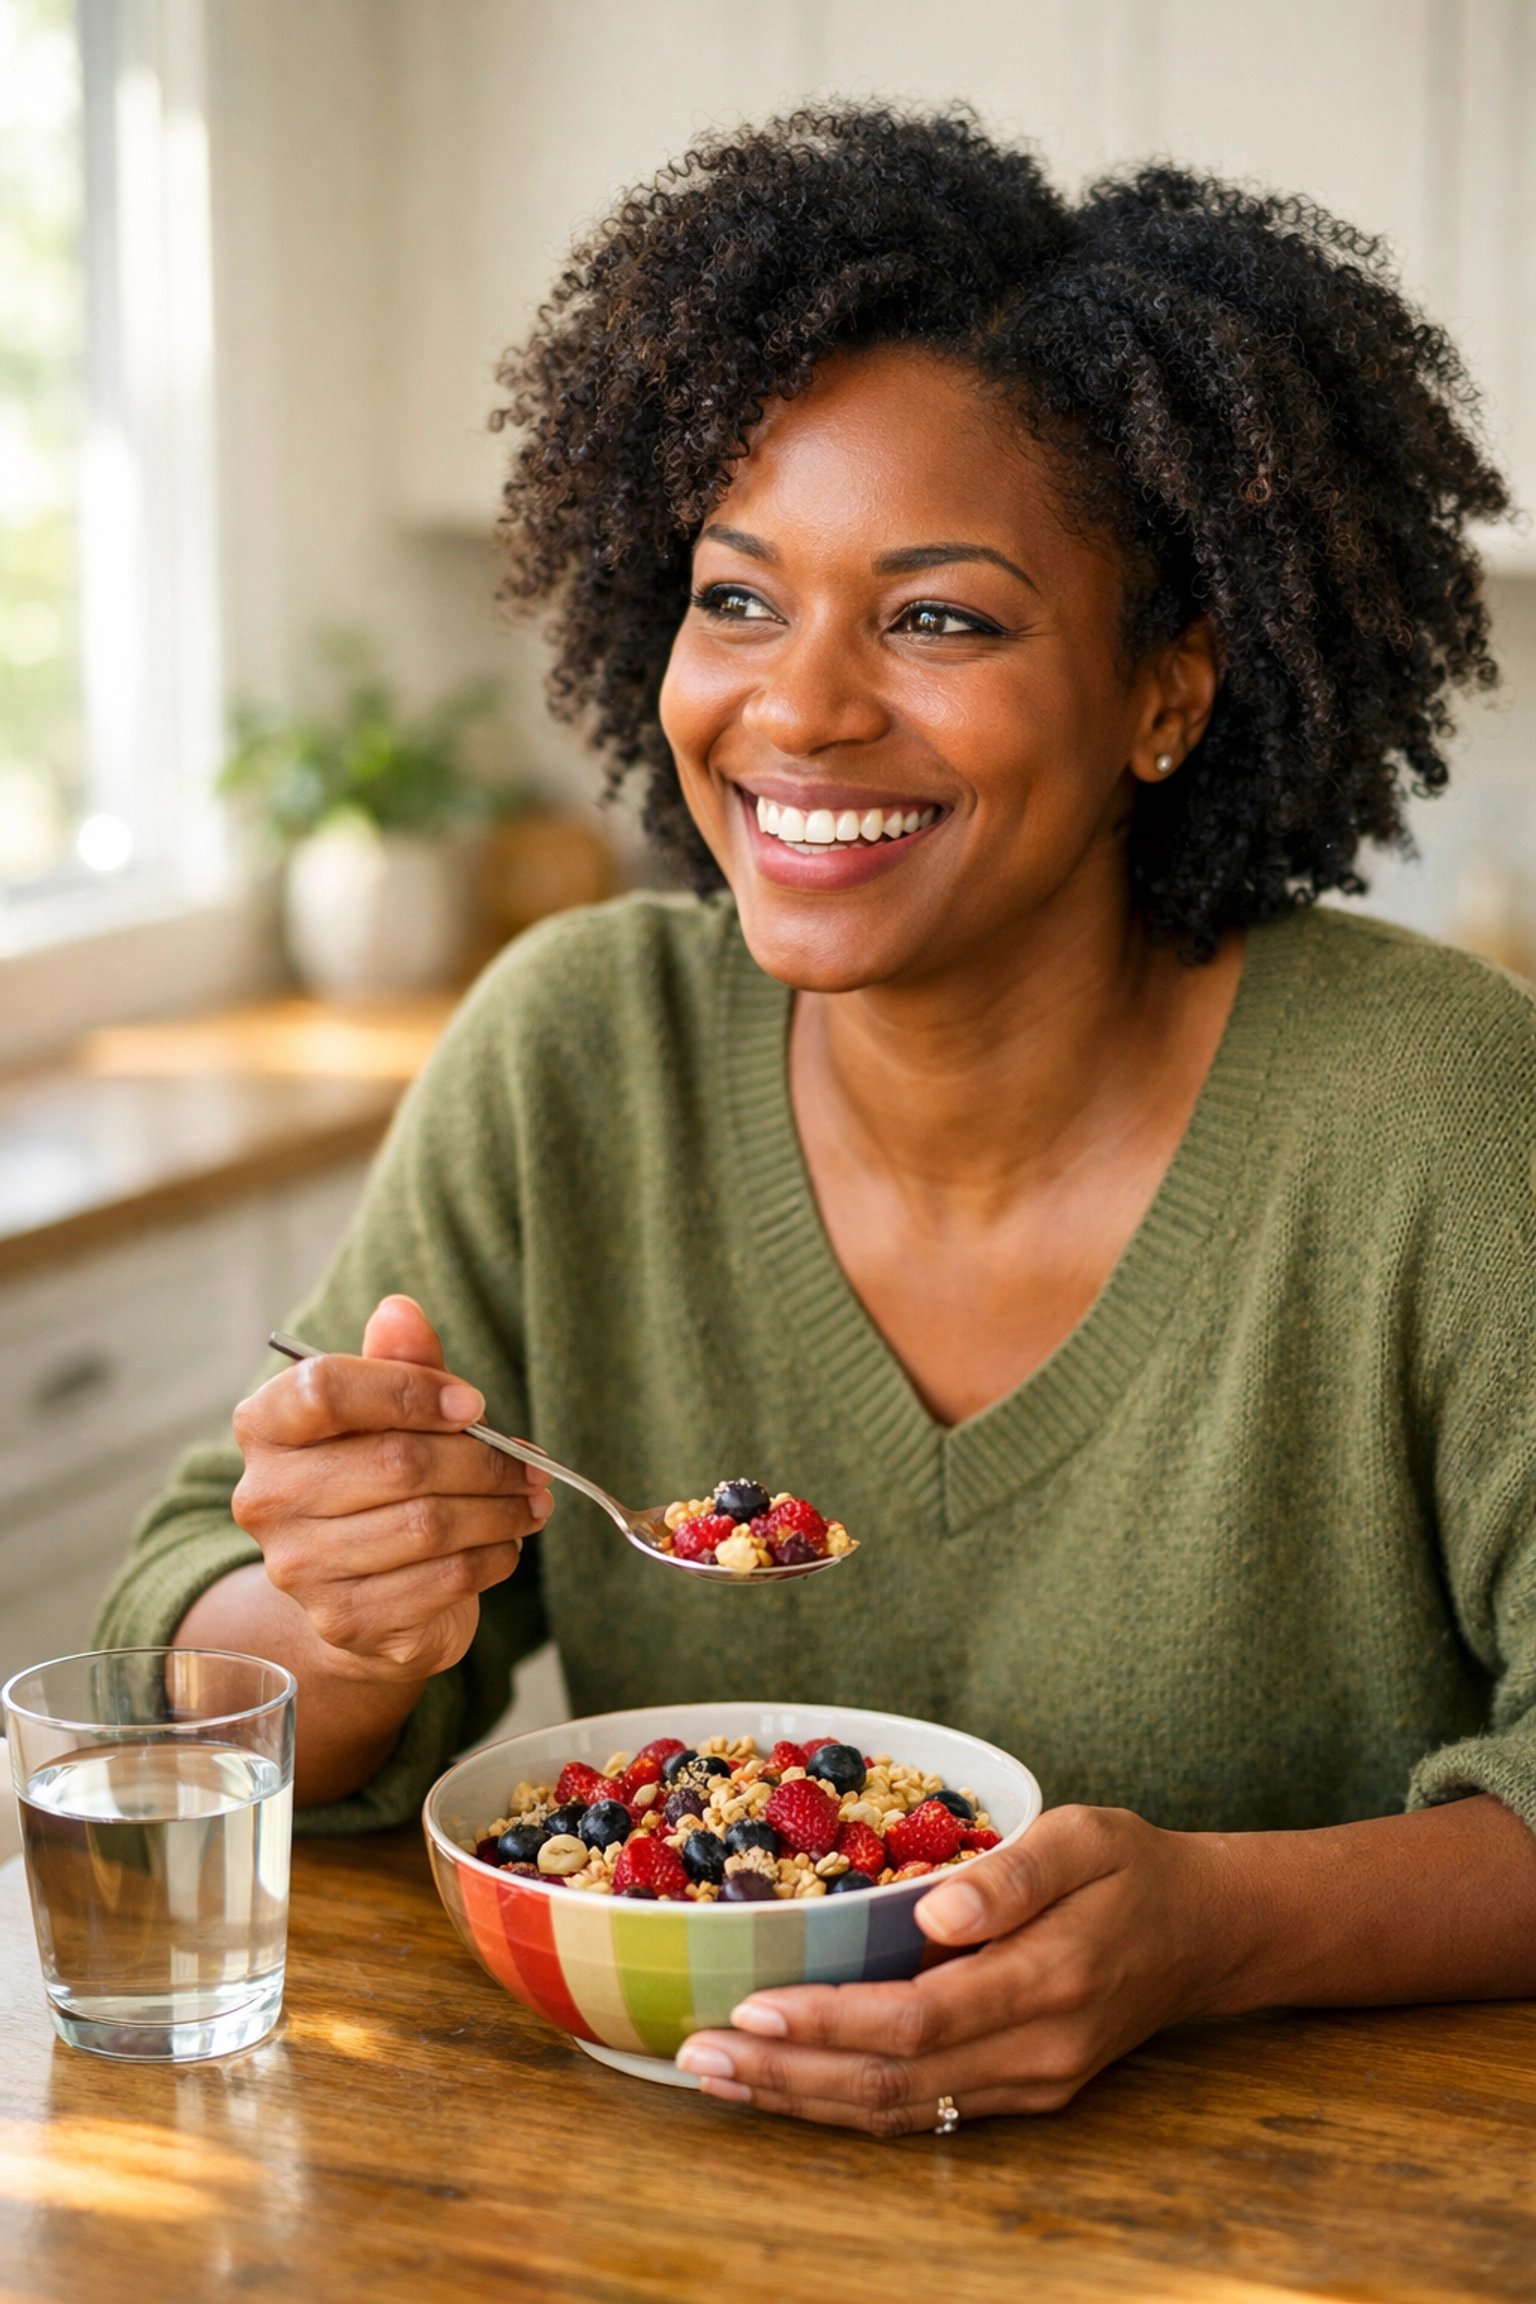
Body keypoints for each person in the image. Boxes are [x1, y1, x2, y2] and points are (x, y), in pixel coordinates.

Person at [98, 109, 1536, 2133]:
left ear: (1169, 696)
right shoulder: (576, 1055)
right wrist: (341, 1610)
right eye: (738, 598)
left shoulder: (1440, 1113)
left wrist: (1215, 1931)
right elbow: (183, 1661)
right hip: (646, 2210)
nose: (801, 709)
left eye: (941, 618)